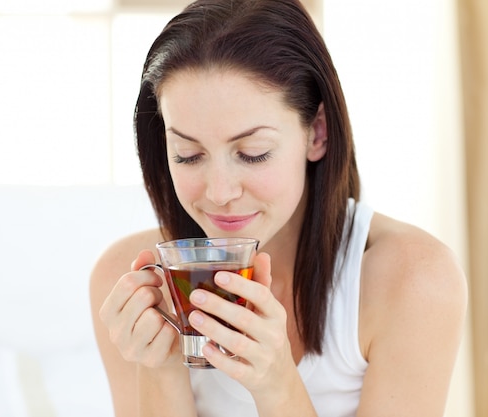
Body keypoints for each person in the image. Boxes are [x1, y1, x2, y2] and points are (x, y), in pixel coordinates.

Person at [90, 0, 468, 416]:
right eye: (188, 154)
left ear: (317, 133)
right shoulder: (129, 283)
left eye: (252, 153)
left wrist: (277, 386)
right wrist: (159, 367)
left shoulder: (413, 279)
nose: (219, 192)